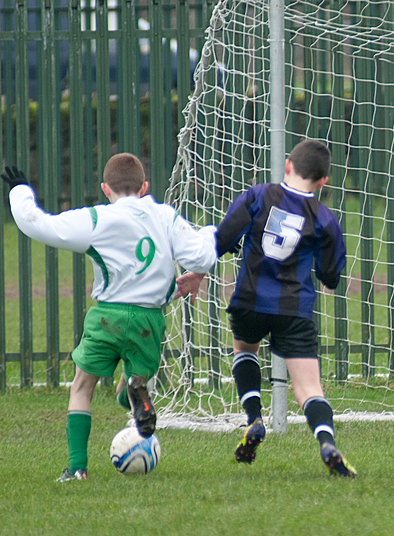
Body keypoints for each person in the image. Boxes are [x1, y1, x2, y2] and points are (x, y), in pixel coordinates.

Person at [2, 155, 217, 482]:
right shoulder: (164, 216)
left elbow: (39, 224)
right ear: (145, 187)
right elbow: (201, 256)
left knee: (81, 386)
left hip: (108, 317)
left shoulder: (98, 218)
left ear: (105, 189)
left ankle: (77, 469)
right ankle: (132, 391)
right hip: (149, 320)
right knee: (135, 378)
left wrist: (20, 192)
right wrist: (213, 234)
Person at [178, 139, 356, 477]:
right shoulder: (324, 218)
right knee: (308, 389)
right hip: (294, 310)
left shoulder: (258, 195)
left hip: (250, 301)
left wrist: (198, 273)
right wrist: (324, 273)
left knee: (245, 350)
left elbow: (223, 237)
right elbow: (331, 275)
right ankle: (326, 442)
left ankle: (254, 419)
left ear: (288, 165)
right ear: (323, 181)